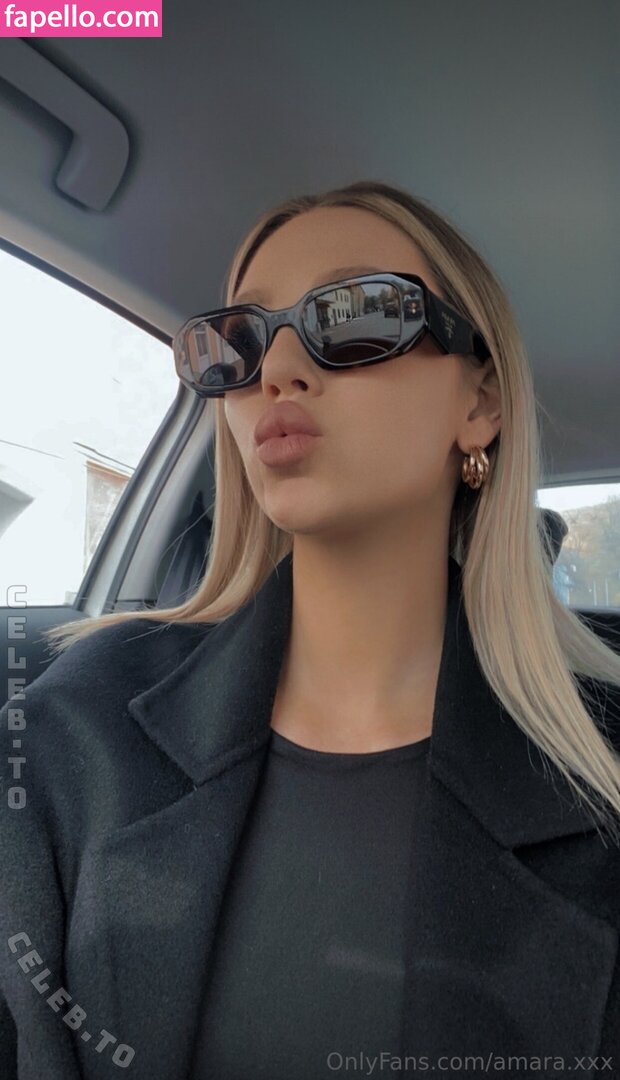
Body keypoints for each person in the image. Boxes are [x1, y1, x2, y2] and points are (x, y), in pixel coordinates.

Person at [2, 179, 620, 1079]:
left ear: (480, 402)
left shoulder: (599, 781)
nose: (278, 371)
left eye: (357, 314)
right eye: (241, 341)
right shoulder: (75, 723)